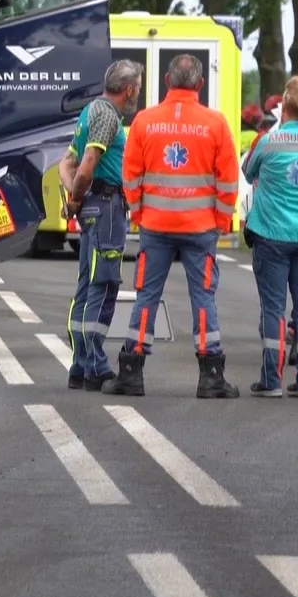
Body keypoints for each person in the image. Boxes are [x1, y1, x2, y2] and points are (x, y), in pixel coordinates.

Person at [103, 54, 242, 399]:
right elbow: (227, 179)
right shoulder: (216, 123)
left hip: (156, 225)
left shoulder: (145, 122)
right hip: (200, 227)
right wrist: (222, 219)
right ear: (200, 84)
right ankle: (211, 375)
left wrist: (138, 212)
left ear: (166, 81)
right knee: (203, 297)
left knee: (146, 296)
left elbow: (131, 175)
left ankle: (131, 372)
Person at [58, 59, 144, 390]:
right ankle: (95, 365)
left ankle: (79, 366)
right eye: (137, 85)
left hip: (94, 205)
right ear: (129, 89)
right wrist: (78, 196)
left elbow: (66, 164)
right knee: (104, 285)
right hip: (107, 205)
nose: (137, 90)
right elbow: (85, 167)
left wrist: (75, 198)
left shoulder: (89, 112)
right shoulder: (109, 116)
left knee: (86, 284)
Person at [241, 77, 298, 398]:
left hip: (272, 233)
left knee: (274, 309)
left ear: (285, 106)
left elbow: (249, 172)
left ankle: (271, 380)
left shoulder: (269, 141)